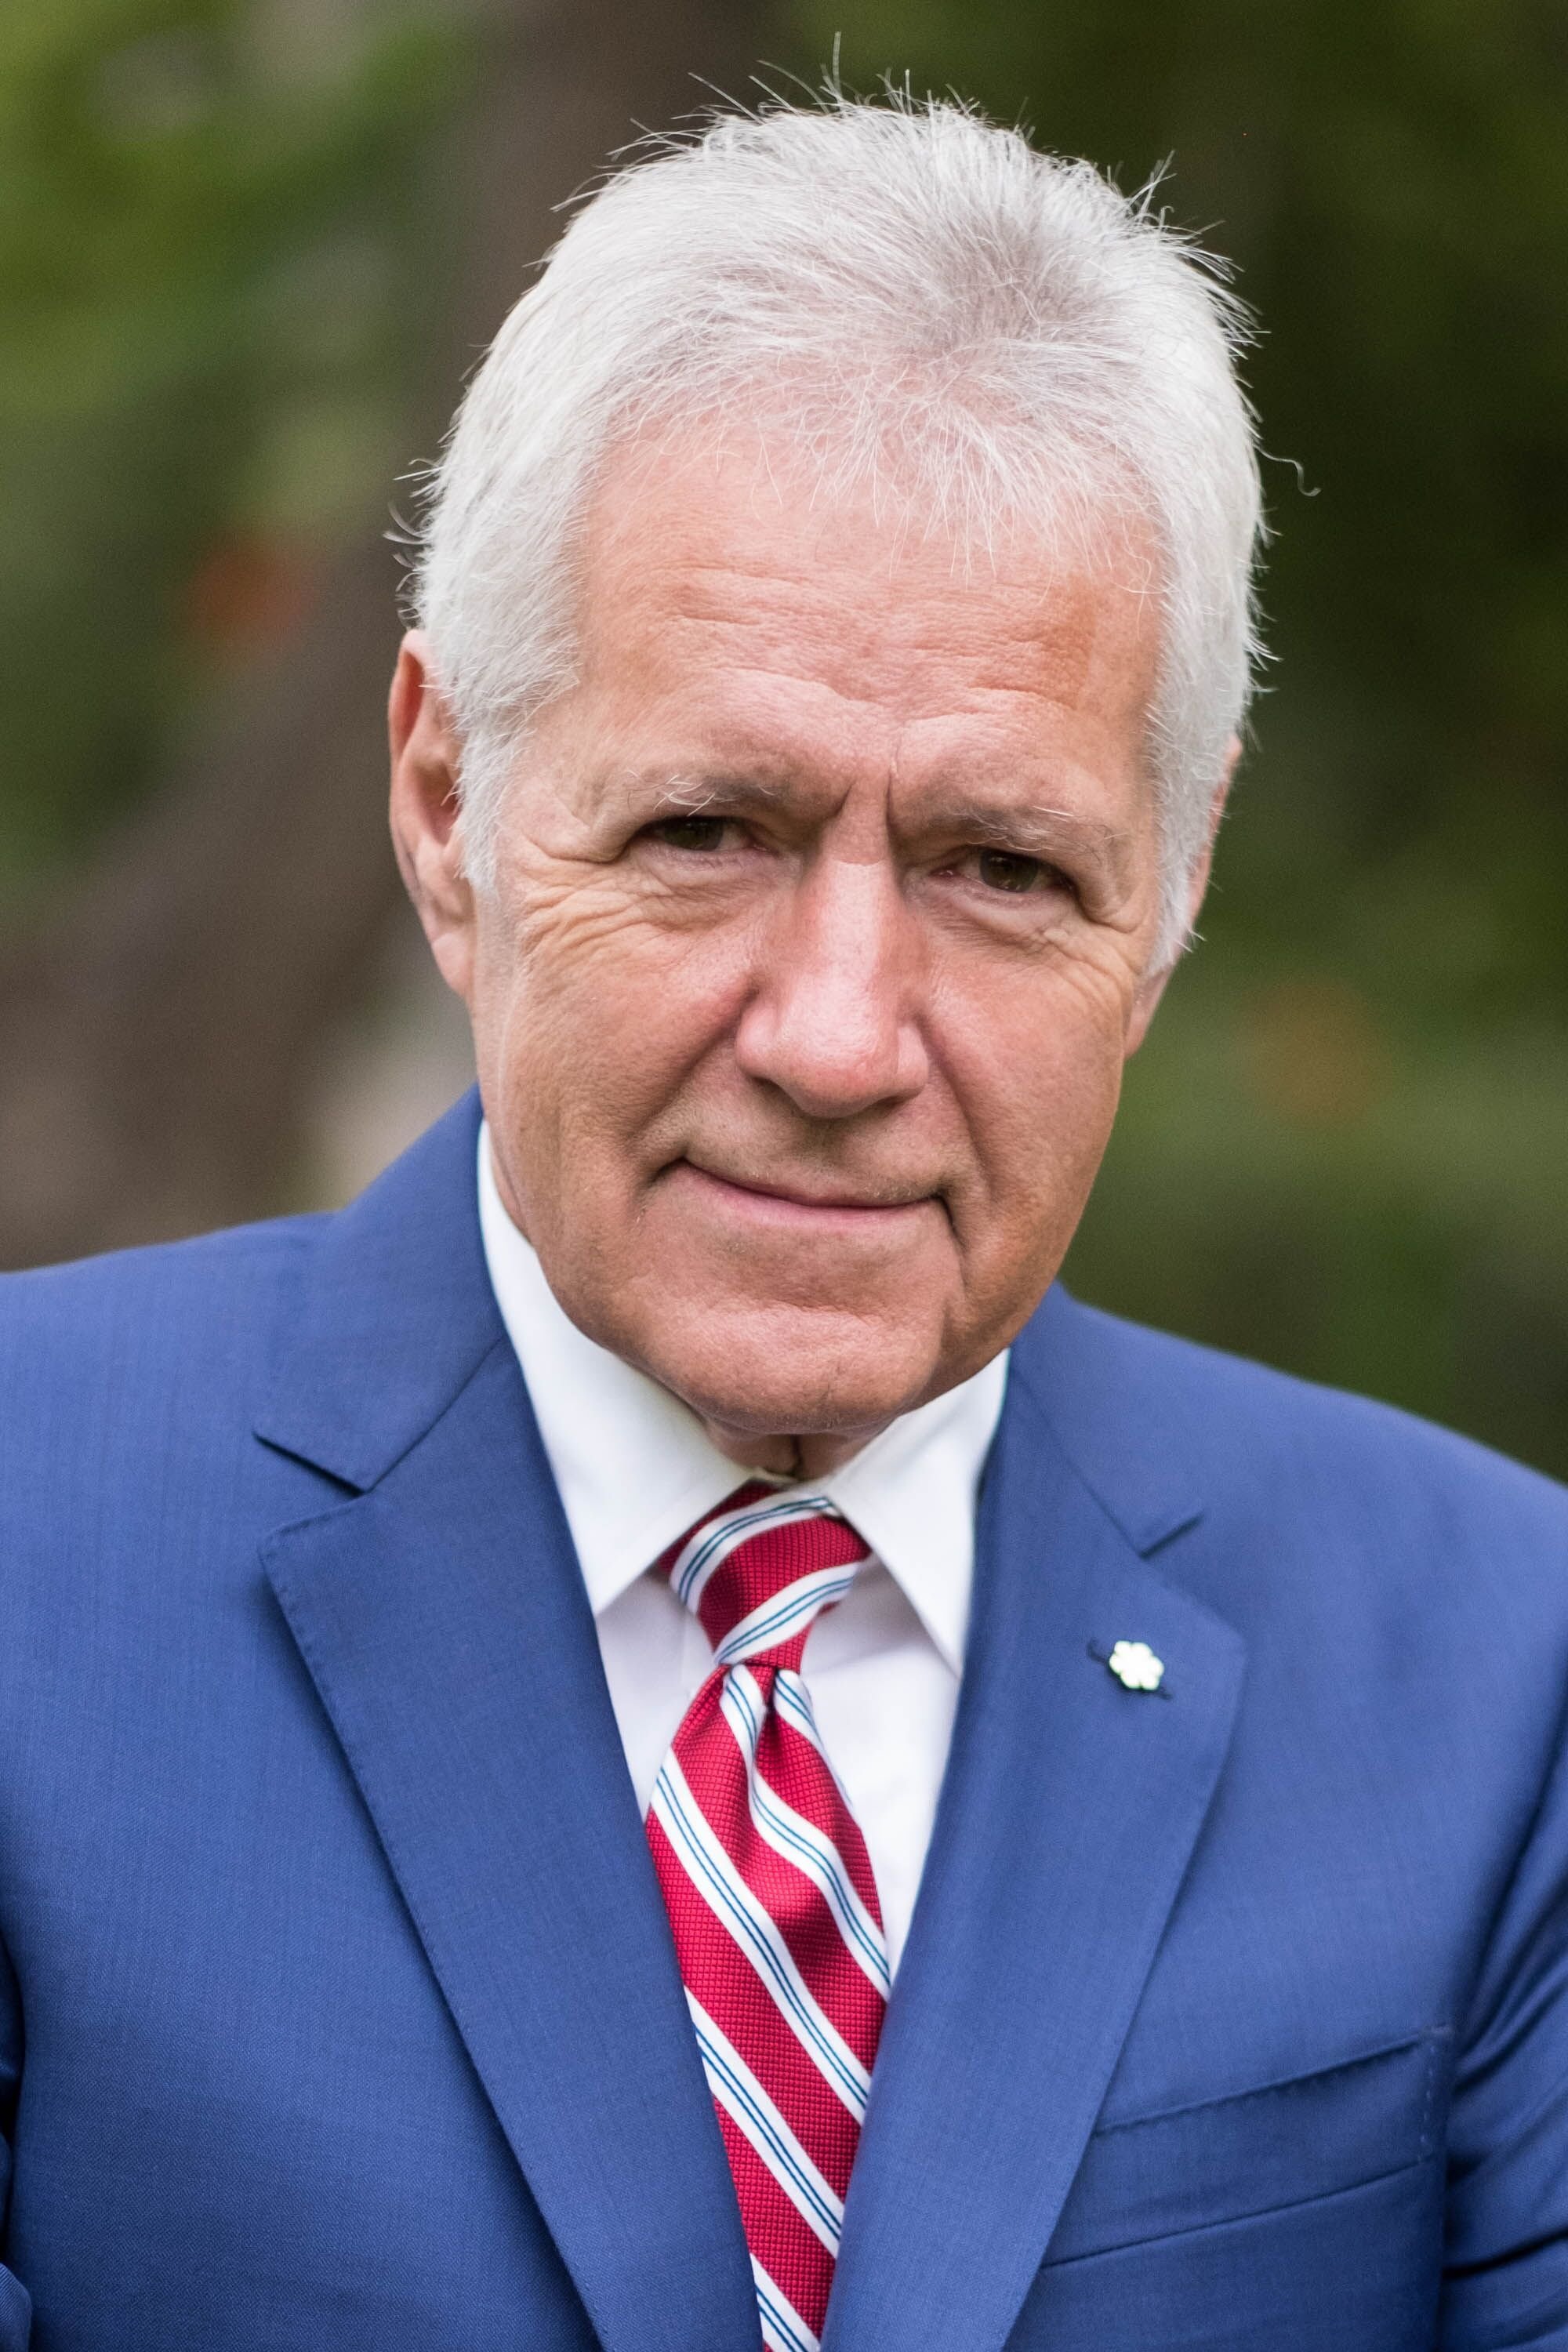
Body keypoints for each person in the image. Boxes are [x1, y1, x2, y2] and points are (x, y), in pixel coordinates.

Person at [1, 93, 1565, 2352]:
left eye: (1003, 868)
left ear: (1178, 884)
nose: (839, 1037)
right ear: (451, 805)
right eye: (713, 828)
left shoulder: (1493, 1679)